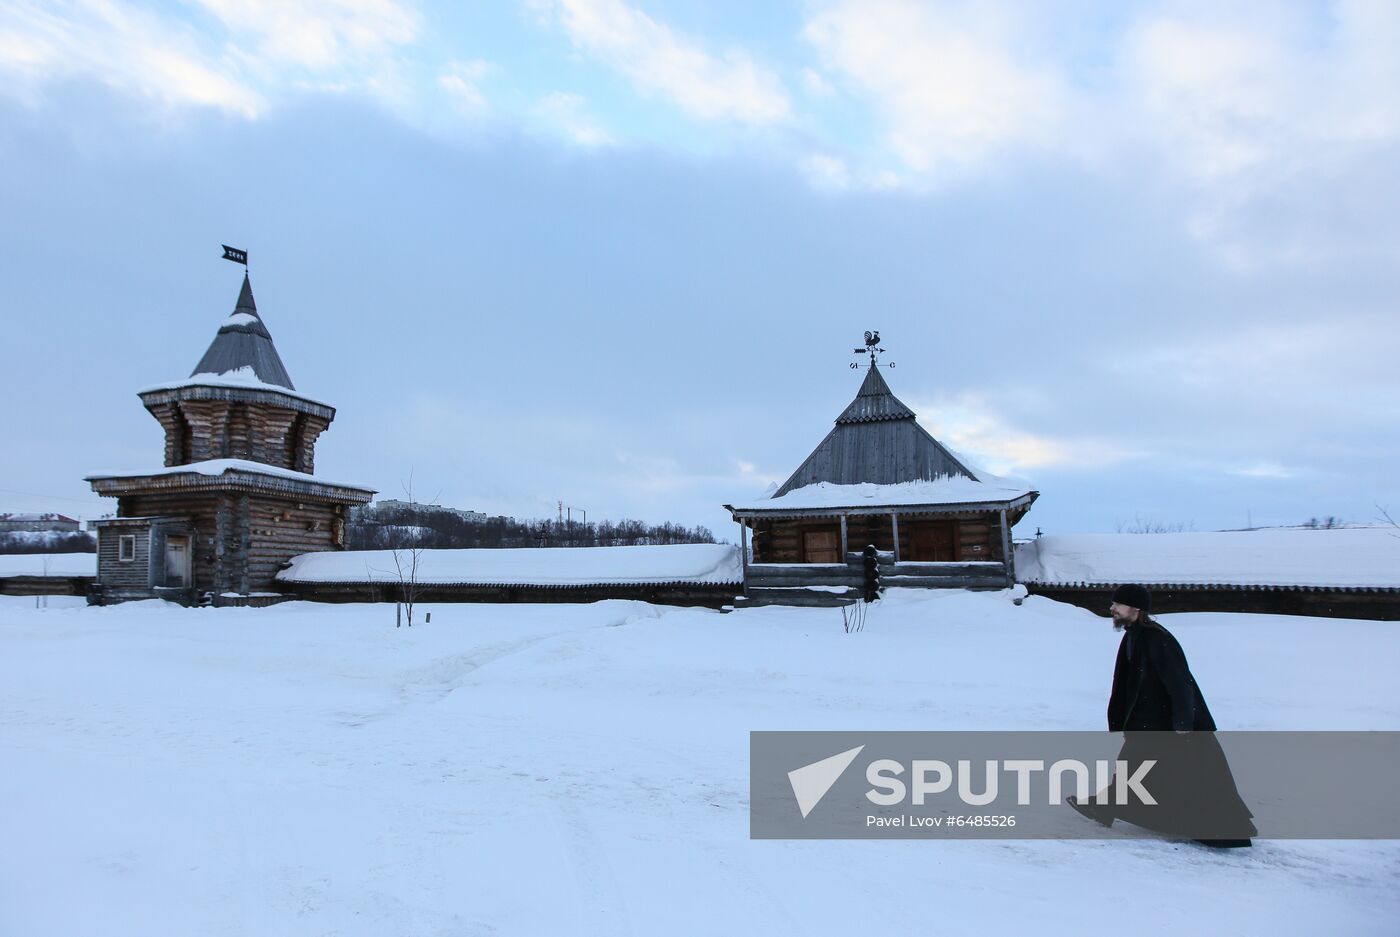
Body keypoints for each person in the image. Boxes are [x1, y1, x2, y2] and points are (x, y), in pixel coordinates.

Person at [1068, 583, 1256, 848]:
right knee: (1143, 773)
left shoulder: (1158, 638)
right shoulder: (1134, 635)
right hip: (1148, 722)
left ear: (1135, 608)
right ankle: (1104, 807)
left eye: (1117, 604)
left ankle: (1223, 830)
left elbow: (1180, 682)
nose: (1111, 608)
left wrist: (1183, 723)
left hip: (1166, 724)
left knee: (1190, 778)